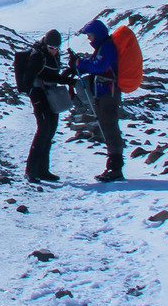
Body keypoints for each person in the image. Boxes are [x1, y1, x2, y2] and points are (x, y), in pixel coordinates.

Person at [70, 18, 124, 182]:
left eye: (90, 36)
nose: (89, 39)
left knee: (110, 128)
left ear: (97, 34)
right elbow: (97, 65)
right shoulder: (104, 46)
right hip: (104, 94)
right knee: (107, 128)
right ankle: (113, 166)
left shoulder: (106, 47)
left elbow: (100, 66)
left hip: (108, 94)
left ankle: (115, 168)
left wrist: (79, 62)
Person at [24, 29, 67, 184]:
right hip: (38, 96)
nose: (54, 51)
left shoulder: (53, 56)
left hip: (50, 95)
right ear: (45, 45)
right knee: (43, 130)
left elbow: (52, 75)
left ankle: (43, 170)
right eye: (51, 48)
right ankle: (31, 170)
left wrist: (65, 78)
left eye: (56, 48)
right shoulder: (37, 56)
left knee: (50, 130)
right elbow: (34, 76)